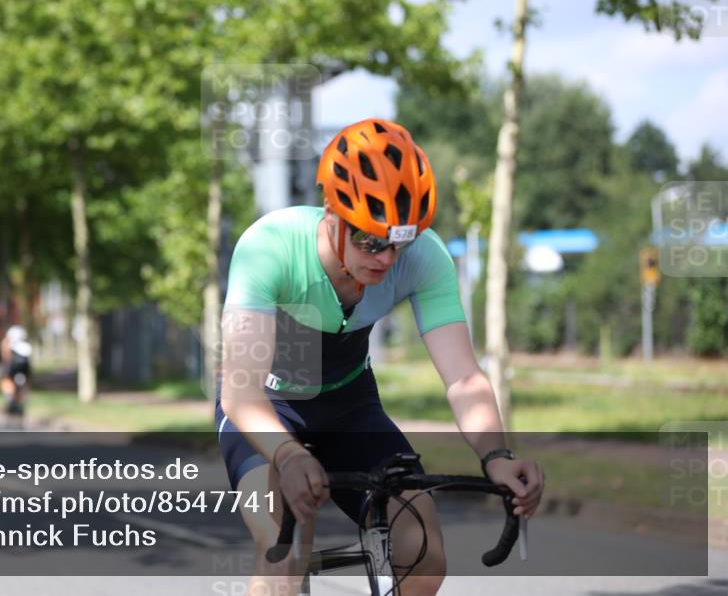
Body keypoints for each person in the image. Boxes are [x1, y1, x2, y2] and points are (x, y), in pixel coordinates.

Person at [216, 119, 544, 596]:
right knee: (285, 554)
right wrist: (286, 454)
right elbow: (241, 393)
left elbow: (463, 378)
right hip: (268, 410)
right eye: (370, 240)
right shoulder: (270, 247)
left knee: (424, 551)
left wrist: (496, 456)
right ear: (332, 212)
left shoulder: (424, 258)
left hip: (350, 410)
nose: (386, 258)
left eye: (400, 241)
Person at [0, 324, 33, 415]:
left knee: (6, 379)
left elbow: (5, 354)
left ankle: (10, 399)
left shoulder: (8, 343)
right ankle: (22, 401)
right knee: (25, 383)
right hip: (25, 366)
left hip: (14, 365)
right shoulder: (26, 345)